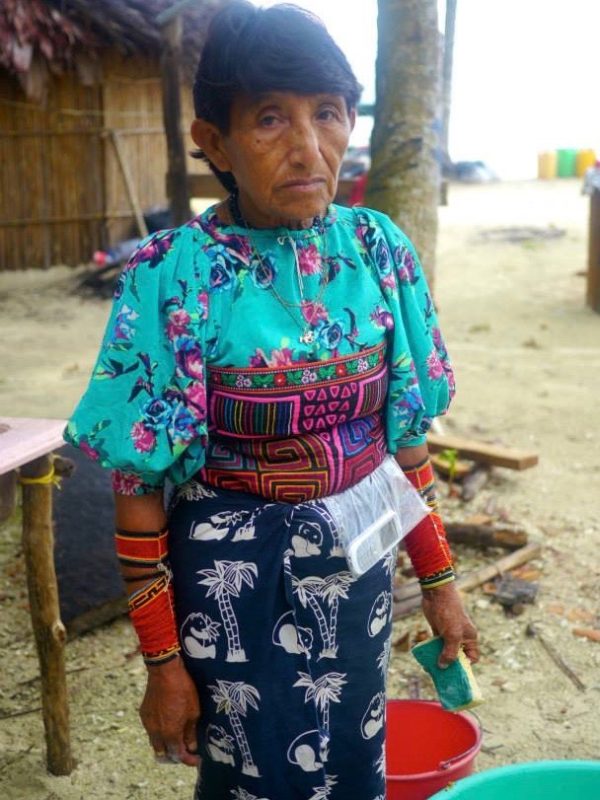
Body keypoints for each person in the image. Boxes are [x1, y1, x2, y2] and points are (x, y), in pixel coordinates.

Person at [64, 3, 479, 798]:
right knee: (253, 774)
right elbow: (137, 488)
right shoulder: (170, 277)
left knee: (356, 752)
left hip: (358, 574)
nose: (307, 146)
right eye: (268, 118)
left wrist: (441, 585)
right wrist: (164, 666)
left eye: (327, 113)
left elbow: (406, 441)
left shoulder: (378, 250)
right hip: (233, 593)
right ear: (213, 141)